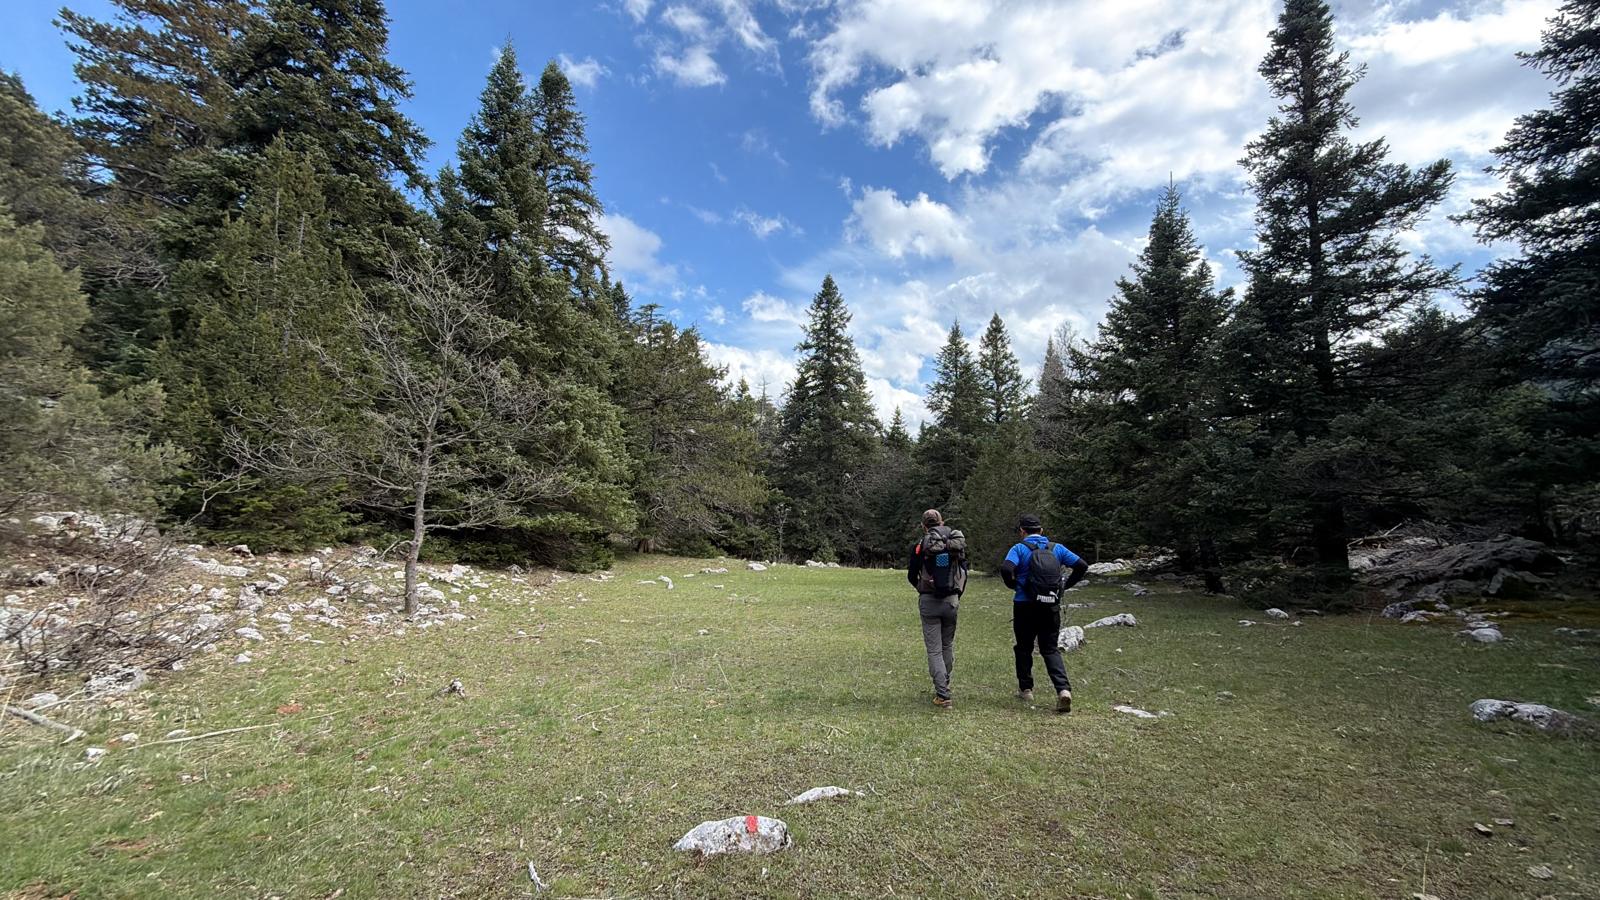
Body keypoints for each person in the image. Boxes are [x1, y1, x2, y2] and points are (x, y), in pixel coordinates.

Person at [1000, 513, 1089, 713]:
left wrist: (1015, 585)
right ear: (1041, 531)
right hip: (1050, 606)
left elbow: (1006, 569)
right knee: (1050, 648)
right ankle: (1063, 690)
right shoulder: (1056, 548)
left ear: (1022, 531)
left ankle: (1026, 688)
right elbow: (1082, 565)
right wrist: (1065, 586)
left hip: (1024, 604)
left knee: (1023, 647)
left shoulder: (1019, 548)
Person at [907, 509, 967, 709]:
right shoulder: (953, 544)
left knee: (934, 650)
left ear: (924, 526)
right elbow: (963, 571)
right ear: (941, 522)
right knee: (947, 645)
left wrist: (922, 589)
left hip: (929, 601)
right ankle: (945, 683)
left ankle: (942, 693)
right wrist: (956, 594)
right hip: (951, 600)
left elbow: (911, 575)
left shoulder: (920, 546)